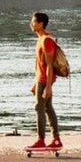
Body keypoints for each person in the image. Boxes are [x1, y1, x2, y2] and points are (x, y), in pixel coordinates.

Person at [28, 11, 63, 151]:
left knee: (39, 108)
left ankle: (41, 140)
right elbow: (41, 66)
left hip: (45, 81)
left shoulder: (46, 40)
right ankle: (56, 139)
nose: (31, 24)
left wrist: (47, 86)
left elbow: (49, 66)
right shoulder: (41, 38)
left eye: (34, 22)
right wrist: (35, 84)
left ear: (41, 24)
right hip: (41, 80)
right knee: (48, 108)